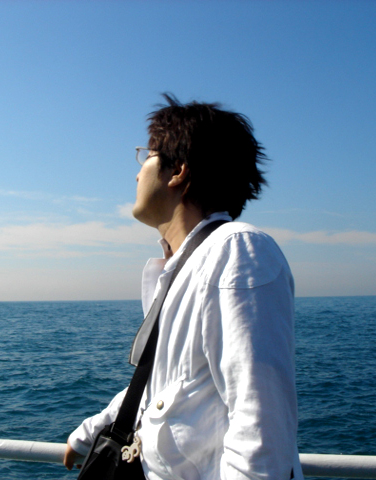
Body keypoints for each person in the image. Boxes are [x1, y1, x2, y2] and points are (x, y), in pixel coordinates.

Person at [64, 94, 303, 480]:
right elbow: (165, 384)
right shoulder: (184, 266)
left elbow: (259, 427)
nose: (136, 175)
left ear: (177, 171)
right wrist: (89, 433)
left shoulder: (238, 250)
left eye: (147, 156)